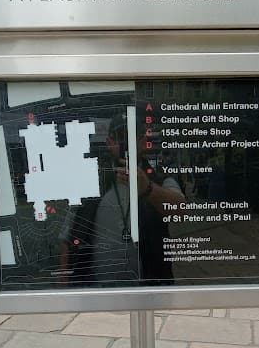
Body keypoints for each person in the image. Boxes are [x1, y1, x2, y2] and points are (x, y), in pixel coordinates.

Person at [66, 112, 184, 286]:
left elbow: (180, 211)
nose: (126, 143)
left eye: (131, 137)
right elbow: (68, 239)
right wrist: (65, 284)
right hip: (97, 293)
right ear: (109, 143)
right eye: (120, 137)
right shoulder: (91, 183)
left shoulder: (159, 179)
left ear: (143, 142)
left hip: (149, 289)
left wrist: (148, 189)